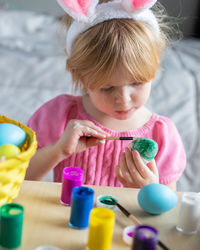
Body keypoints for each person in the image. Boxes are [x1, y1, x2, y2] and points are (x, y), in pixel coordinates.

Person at [26, 0, 186, 190]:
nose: (124, 99)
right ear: (82, 78)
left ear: (155, 69)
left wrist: (148, 188)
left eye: (137, 83)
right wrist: (59, 150)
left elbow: (168, 207)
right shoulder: (59, 114)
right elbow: (20, 177)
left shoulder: (162, 134)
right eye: (107, 88)